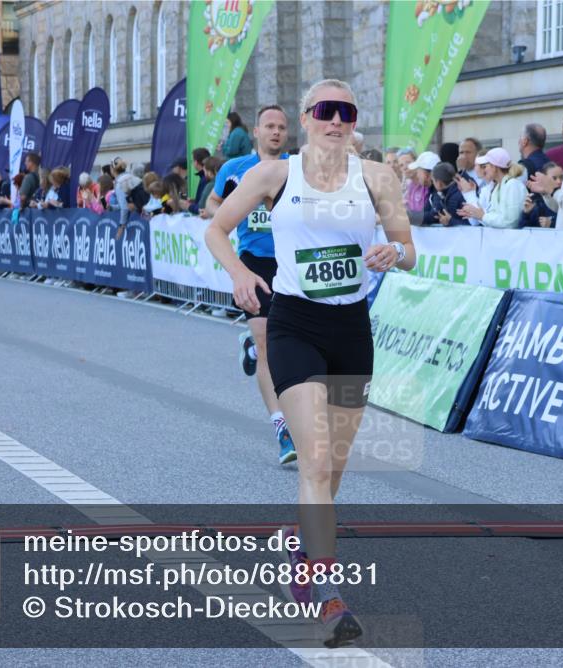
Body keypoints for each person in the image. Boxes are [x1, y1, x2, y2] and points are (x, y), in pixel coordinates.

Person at [204, 78, 415, 648]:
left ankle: (302, 551)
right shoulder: (276, 175)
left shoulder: (377, 178)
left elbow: (409, 249)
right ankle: (327, 594)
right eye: (325, 110)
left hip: (351, 330)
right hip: (294, 325)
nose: (336, 119)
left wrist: (394, 252)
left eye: (346, 110)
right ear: (305, 118)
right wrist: (243, 274)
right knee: (315, 459)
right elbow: (216, 229)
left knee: (335, 469)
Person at [205, 104, 297, 465]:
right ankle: (282, 428)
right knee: (266, 341)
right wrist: (228, 212)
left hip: (293, 265)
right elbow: (213, 202)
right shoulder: (234, 170)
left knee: (287, 345)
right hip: (254, 264)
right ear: (256, 132)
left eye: (281, 127)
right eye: (269, 126)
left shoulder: (298, 169)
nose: (275, 132)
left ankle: (255, 350)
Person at [457, 147, 526, 228]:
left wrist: (482, 216)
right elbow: (492, 220)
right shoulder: (498, 188)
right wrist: (476, 214)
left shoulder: (513, 185)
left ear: (494, 167)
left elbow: (510, 222)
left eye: (486, 166)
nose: (484, 169)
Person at [519, 161, 563, 228]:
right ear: (543, 179)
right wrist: (526, 213)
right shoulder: (535, 200)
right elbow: (522, 230)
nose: (559, 181)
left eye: (562, 177)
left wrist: (552, 223)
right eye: (554, 178)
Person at [424, 162, 467, 226]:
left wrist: (450, 221)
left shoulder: (458, 196)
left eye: (433, 181)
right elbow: (435, 213)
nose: (433, 184)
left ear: (439, 183)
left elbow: (473, 224)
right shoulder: (445, 195)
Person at [404, 151, 439, 224]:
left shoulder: (440, 191)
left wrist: (407, 216)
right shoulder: (432, 190)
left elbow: (434, 215)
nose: (417, 175)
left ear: (427, 174)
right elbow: (425, 212)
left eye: (418, 172)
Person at [189, 147, 211, 214]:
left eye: (192, 161)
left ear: (196, 162)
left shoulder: (205, 179)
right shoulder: (205, 177)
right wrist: (194, 201)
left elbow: (201, 207)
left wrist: (188, 206)